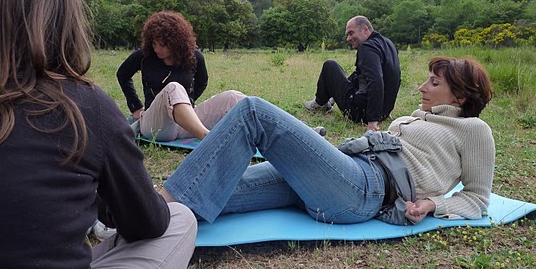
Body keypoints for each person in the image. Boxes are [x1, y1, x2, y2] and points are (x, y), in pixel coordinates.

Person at [0, 0, 211, 269]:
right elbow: (147, 223)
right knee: (179, 216)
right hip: (155, 121)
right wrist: (137, 107)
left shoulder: (192, 59)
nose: (157, 49)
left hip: (182, 117)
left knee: (229, 100)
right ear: (67, 31)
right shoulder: (85, 107)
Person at [160, 57, 494, 225]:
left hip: (365, 188)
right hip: (344, 174)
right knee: (215, 189)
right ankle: (146, 212)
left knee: (253, 111)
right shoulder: (421, 115)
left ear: (462, 96)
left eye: (433, 83)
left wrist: (435, 204)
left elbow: (478, 198)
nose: (422, 87)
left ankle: (152, 207)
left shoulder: (474, 129)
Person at [117, 11, 245, 141]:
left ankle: (259, 136)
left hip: (186, 125)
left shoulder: (194, 57)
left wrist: (184, 105)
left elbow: (202, 82)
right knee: (173, 88)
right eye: (154, 44)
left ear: (175, 43)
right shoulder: (143, 56)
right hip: (156, 125)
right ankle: (208, 139)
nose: (156, 49)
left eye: (162, 45)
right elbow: (122, 75)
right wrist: (136, 107)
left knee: (232, 97)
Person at [304, 15, 401, 132]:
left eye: (351, 33)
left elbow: (376, 81)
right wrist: (386, 110)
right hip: (383, 112)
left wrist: (372, 121)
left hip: (360, 112)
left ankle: (319, 103)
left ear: (365, 30)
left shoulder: (367, 47)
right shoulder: (388, 44)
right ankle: (330, 99)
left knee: (330, 66)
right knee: (357, 74)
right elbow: (395, 77)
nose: (348, 39)